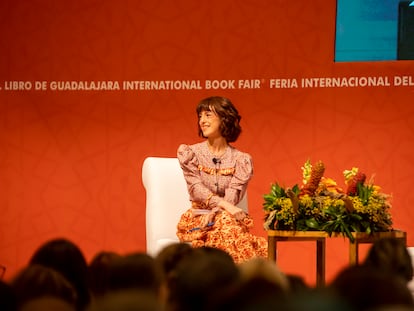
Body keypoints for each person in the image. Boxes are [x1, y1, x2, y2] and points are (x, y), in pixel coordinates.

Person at [176, 96, 267, 263]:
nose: (202, 121)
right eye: (200, 116)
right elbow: (196, 189)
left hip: (227, 219)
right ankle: (244, 281)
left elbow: (233, 195)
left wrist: (219, 211)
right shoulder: (190, 153)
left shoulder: (241, 160)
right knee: (232, 231)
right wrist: (225, 206)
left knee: (226, 226)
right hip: (200, 220)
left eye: (208, 115)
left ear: (224, 118)